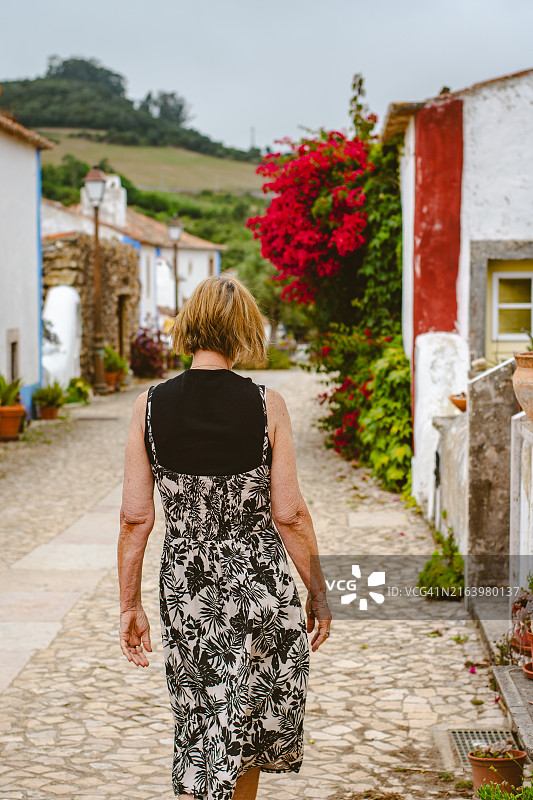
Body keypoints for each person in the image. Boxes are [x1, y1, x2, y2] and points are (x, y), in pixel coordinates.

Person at [118, 274, 331, 800]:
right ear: (243, 333)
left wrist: (129, 604)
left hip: (190, 594)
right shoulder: (267, 405)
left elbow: (134, 519)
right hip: (260, 589)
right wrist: (319, 592)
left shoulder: (149, 406)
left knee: (202, 723)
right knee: (250, 727)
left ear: (190, 327)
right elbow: (290, 514)